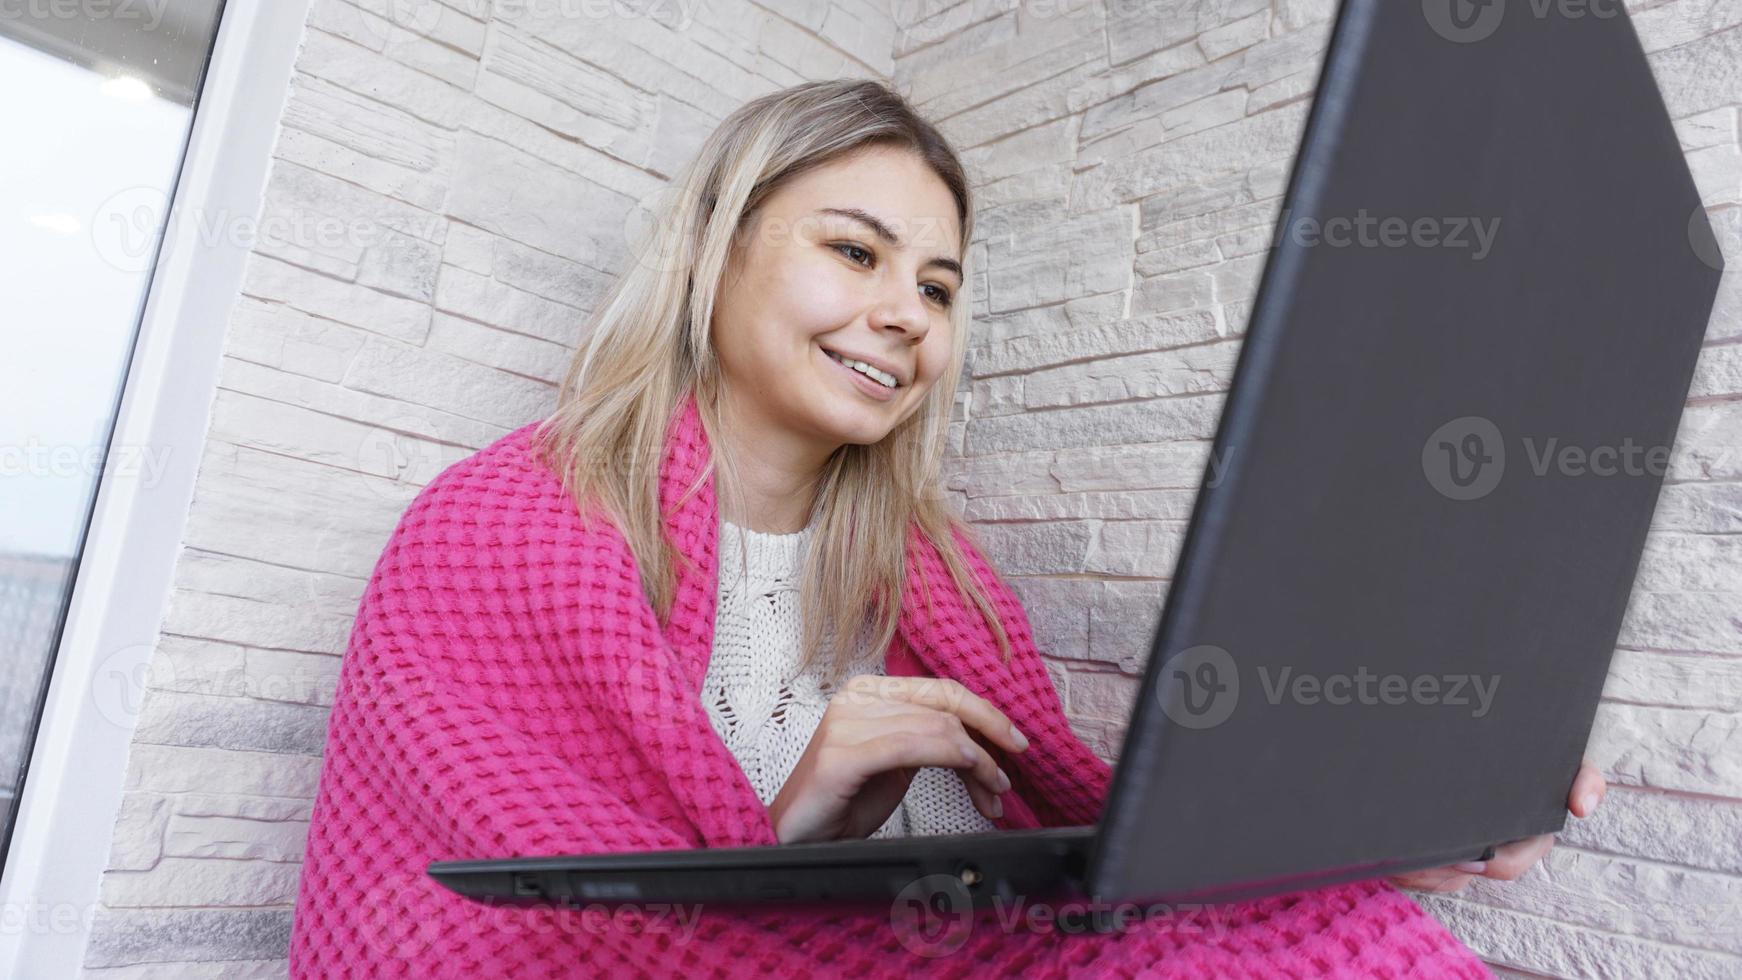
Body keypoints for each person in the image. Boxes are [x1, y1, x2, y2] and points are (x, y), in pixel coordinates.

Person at [289, 78, 1605, 977]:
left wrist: (1410, 809)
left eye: (936, 284)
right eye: (853, 253)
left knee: (1318, 918)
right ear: (708, 254)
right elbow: (502, 906)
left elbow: (1107, 841)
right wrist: (802, 798)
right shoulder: (499, 530)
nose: (908, 312)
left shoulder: (935, 577)